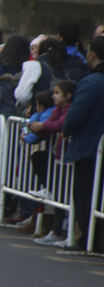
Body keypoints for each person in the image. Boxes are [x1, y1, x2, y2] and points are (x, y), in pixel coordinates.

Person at [62, 35, 104, 252]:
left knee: (85, 196)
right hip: (96, 147)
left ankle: (87, 240)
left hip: (88, 148)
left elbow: (75, 116)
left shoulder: (91, 82)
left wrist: (65, 130)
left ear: (91, 54)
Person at [27, 81, 75, 246]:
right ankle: (55, 230)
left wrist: (42, 125)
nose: (53, 96)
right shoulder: (58, 110)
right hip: (59, 154)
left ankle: (59, 231)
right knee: (59, 193)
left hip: (68, 156)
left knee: (64, 194)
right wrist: (35, 126)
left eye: (57, 93)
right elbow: (51, 123)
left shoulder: (70, 109)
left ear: (67, 95)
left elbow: (60, 124)